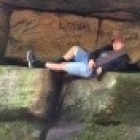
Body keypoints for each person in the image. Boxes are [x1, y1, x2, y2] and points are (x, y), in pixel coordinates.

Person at [26, 36, 131, 78]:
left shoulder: (123, 57)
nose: (115, 44)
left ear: (123, 45)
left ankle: (36, 64)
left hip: (91, 70)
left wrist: (103, 69)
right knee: (75, 48)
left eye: (118, 43)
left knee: (65, 65)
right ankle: (56, 66)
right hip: (89, 62)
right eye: (114, 42)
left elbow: (121, 68)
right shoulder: (108, 48)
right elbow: (94, 53)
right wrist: (91, 59)